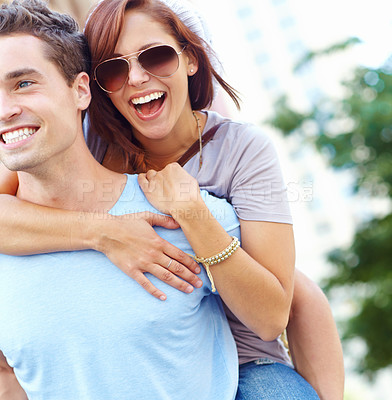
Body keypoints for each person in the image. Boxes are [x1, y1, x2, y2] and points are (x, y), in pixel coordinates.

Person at [0, 0, 344, 399]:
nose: (137, 78)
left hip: (247, 353)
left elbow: (293, 300)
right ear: (93, 85)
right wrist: (108, 233)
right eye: (113, 68)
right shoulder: (84, 137)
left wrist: (191, 212)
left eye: (157, 57)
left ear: (190, 60)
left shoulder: (241, 151)